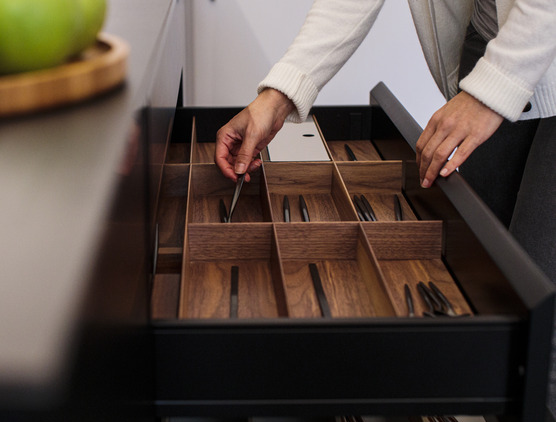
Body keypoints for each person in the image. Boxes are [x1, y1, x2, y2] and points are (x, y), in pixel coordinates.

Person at [215, 0, 556, 284]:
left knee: (540, 281)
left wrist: (491, 91)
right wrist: (278, 98)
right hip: (493, 37)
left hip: (535, 35)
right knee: (484, 267)